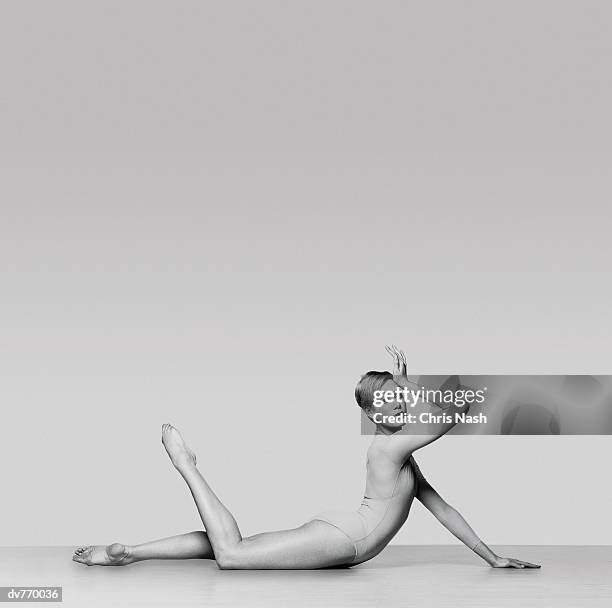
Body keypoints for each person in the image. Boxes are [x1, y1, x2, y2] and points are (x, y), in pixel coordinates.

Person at [72, 346, 540, 570]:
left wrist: (491, 556)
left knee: (234, 544)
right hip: (345, 541)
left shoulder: (399, 456)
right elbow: (449, 417)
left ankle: (129, 552)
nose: (397, 406)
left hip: (339, 533)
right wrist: (405, 384)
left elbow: (443, 509)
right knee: (232, 555)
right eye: (386, 402)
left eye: (397, 401)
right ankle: (186, 465)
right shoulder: (387, 447)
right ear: (369, 412)